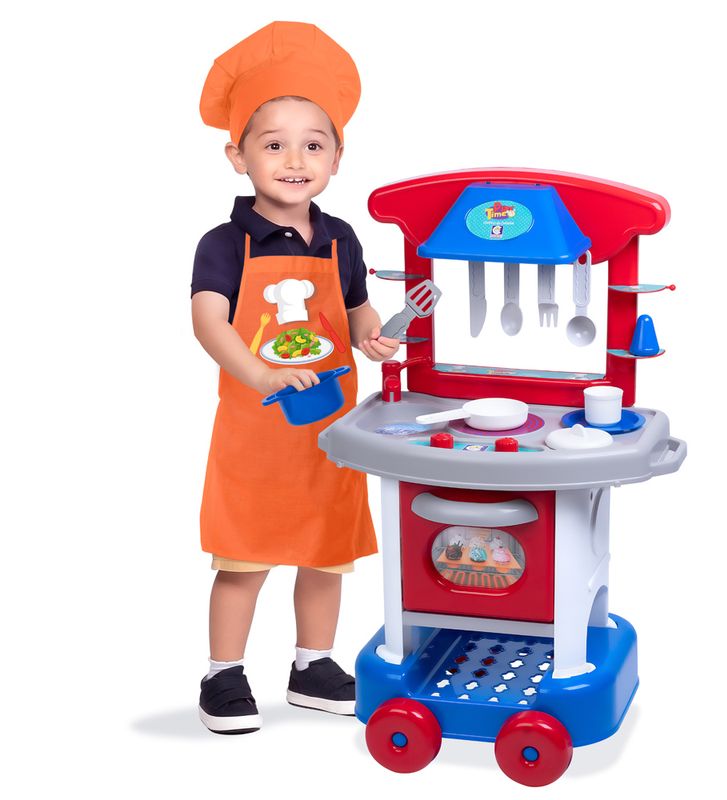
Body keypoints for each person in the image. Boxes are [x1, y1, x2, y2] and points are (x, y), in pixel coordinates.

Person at [191, 21, 399, 735]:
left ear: (337, 156)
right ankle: (223, 673)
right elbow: (209, 322)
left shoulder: (341, 238)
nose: (294, 160)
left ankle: (313, 665)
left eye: (313, 144)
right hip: (256, 434)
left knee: (326, 556)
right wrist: (262, 372)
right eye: (273, 144)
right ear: (238, 155)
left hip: (329, 432)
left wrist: (374, 336)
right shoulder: (225, 243)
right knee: (243, 561)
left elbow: (355, 307)